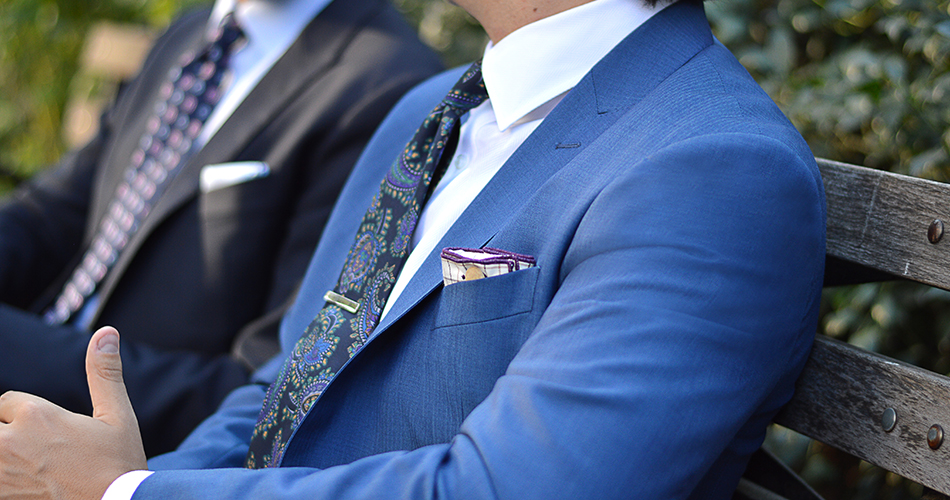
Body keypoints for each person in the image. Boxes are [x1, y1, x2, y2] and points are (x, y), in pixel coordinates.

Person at [0, 0, 826, 498]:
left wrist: (131, 492)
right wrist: (129, 480)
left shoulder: (713, 170)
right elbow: (287, 382)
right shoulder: (432, 110)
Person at [0, 0, 441, 456]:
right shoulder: (192, 32)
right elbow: (57, 210)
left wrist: (15, 349)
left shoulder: (387, 83)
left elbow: (268, 382)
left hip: (136, 451)